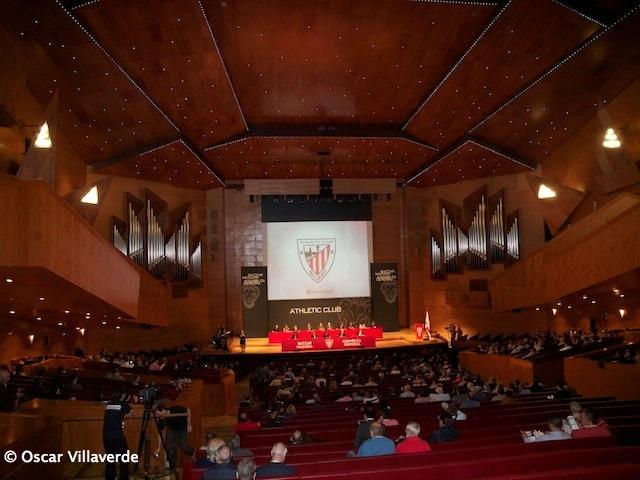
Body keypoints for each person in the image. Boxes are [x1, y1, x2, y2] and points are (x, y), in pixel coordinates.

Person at [102, 389, 132, 480]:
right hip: (117, 436)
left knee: (110, 459)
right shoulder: (124, 405)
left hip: (106, 436)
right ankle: (124, 477)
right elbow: (130, 412)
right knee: (124, 457)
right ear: (122, 396)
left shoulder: (109, 404)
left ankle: (110, 478)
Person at [157, 404, 194, 471]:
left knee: (183, 446)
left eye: (160, 414)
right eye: (158, 415)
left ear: (164, 411)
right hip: (173, 430)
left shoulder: (175, 409)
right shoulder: (161, 419)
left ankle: (193, 452)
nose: (160, 416)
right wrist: (158, 448)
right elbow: (160, 433)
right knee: (169, 448)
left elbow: (188, 410)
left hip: (182, 428)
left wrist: (189, 424)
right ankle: (174, 467)